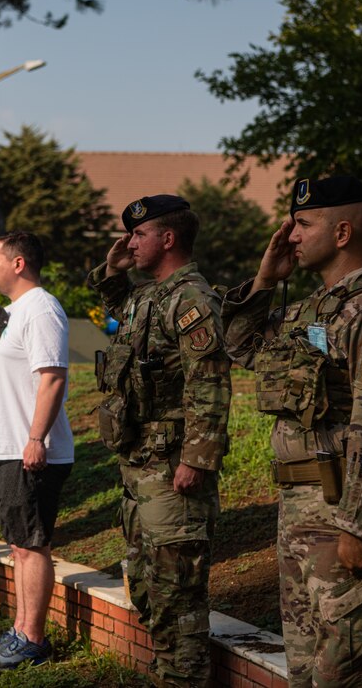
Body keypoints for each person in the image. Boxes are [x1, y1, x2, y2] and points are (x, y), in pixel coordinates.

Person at [222, 176, 362, 687]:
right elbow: (240, 347)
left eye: (304, 224)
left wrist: (360, 527)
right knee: (305, 669)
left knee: (346, 672)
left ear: (344, 231)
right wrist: (264, 280)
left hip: (340, 514)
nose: (291, 234)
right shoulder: (309, 309)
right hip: (298, 510)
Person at [88, 195, 231, 686]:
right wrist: (113, 269)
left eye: (139, 235)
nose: (130, 242)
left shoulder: (192, 298)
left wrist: (197, 459)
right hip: (141, 471)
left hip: (173, 475)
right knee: (150, 593)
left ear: (168, 239)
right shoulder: (151, 295)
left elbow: (209, 382)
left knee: (179, 602)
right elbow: (119, 313)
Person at [0, 231, 74, 669]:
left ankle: (33, 639)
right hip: (5, 446)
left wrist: (35, 438)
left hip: (29, 448)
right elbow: (5, 379)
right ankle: (20, 630)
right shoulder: (8, 315)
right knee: (18, 545)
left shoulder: (42, 308)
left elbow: (52, 377)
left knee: (32, 545)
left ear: (19, 263)